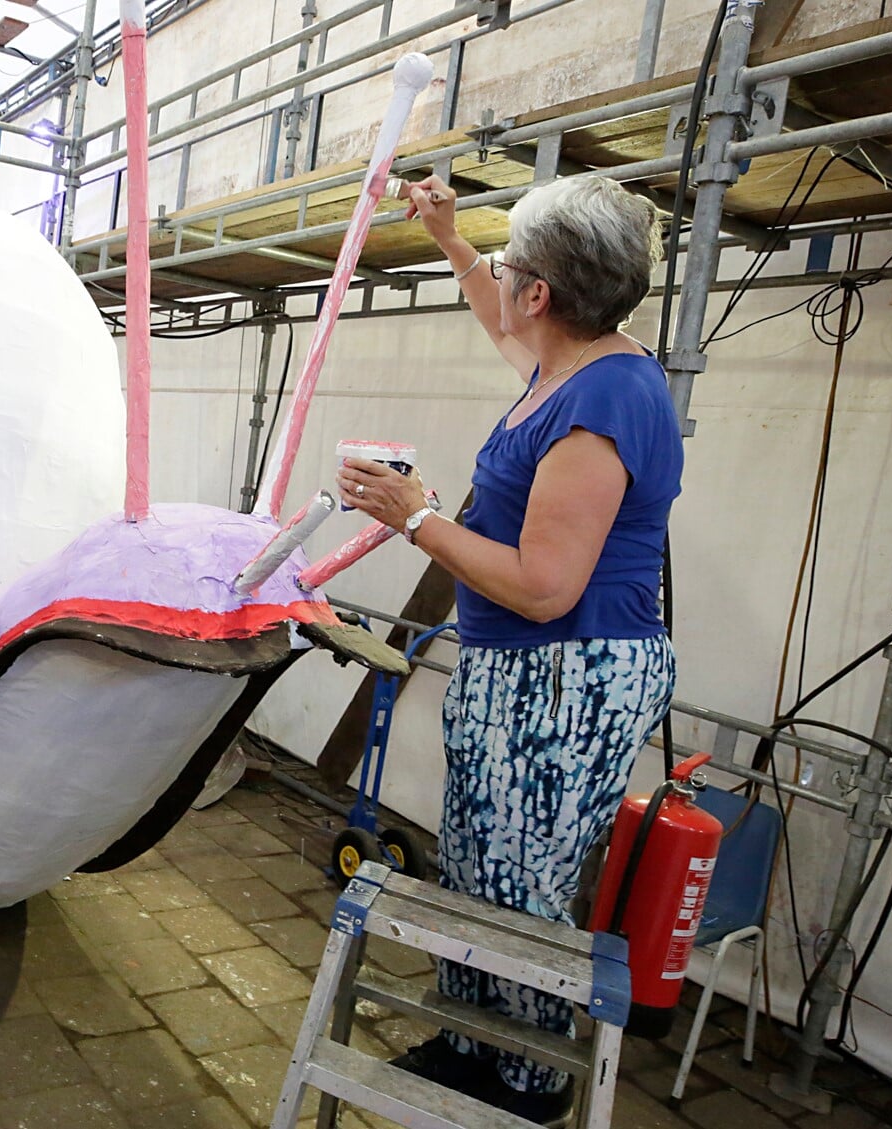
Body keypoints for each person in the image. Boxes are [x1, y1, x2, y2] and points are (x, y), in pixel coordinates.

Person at [335, 174, 682, 1125]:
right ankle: (472, 1041)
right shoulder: (563, 363)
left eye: (508, 265)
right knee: (482, 865)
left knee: (523, 880)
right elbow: (498, 315)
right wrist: (451, 239)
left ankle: (524, 1082)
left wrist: (420, 519)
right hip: (519, 671)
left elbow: (543, 585)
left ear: (544, 294)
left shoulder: (605, 397)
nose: (498, 280)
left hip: (566, 670)